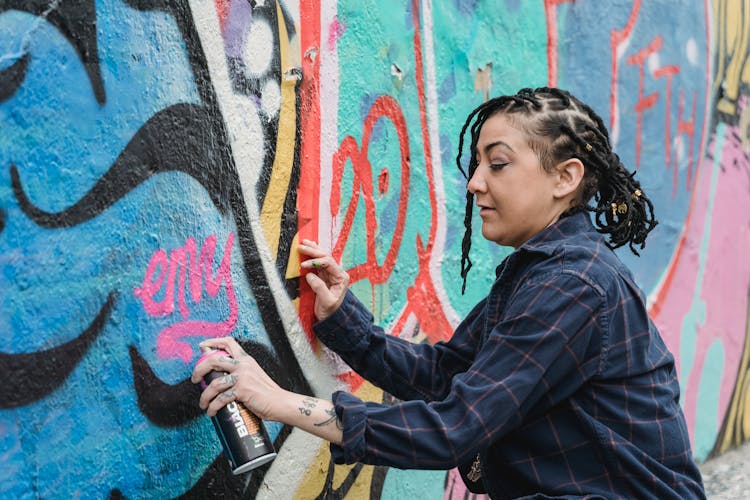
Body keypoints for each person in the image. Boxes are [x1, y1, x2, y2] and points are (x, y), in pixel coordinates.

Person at [192, 87, 706, 499]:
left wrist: (278, 403)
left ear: (565, 178)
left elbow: (453, 428)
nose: (475, 182)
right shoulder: (544, 271)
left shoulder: (572, 285)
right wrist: (344, 323)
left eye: (497, 164)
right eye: (477, 163)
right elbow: (448, 377)